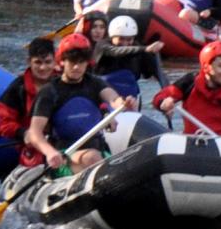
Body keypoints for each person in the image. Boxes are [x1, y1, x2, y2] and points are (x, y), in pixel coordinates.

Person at [21, 33, 136, 171]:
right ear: (62, 61)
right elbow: (34, 132)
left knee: (98, 157)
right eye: (72, 61)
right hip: (64, 155)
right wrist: (49, 152)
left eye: (81, 62)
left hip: (98, 149)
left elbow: (113, 99)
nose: (76, 67)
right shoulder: (49, 92)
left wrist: (124, 103)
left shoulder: (95, 83)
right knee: (91, 158)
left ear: (87, 63)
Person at [155, 40, 221, 139]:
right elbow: (160, 96)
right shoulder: (190, 83)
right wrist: (163, 103)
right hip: (195, 144)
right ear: (206, 67)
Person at [0, 35, 61, 143]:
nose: (43, 67)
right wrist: (23, 133)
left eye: (47, 62)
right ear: (29, 62)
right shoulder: (18, 88)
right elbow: (5, 124)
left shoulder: (63, 82)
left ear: (55, 61)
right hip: (30, 144)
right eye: (38, 62)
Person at [94, 13, 164, 102]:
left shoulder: (139, 50)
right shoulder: (102, 46)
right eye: (121, 39)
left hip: (131, 99)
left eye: (129, 40)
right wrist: (145, 49)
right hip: (104, 98)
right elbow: (116, 51)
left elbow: (157, 73)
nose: (125, 43)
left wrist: (167, 95)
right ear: (112, 37)